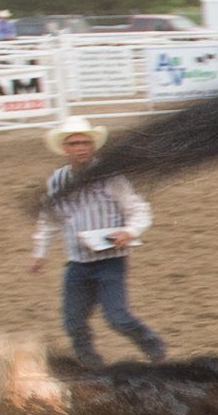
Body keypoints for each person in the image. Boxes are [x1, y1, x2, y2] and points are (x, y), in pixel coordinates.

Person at [29, 116, 167, 369]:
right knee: (73, 323)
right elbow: (49, 219)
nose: (80, 147)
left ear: (92, 146)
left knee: (118, 318)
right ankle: (91, 365)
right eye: (74, 143)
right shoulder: (57, 180)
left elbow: (139, 210)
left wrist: (130, 232)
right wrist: (40, 252)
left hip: (110, 261)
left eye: (85, 142)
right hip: (77, 263)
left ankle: (155, 348)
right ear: (65, 149)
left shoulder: (110, 177)